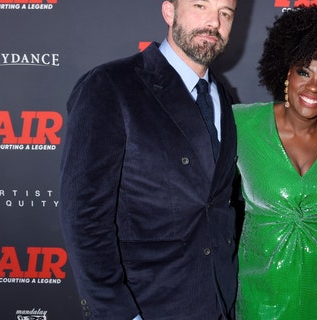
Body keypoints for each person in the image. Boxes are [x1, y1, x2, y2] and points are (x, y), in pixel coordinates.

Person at [59, 0, 239, 319]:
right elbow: (84, 216)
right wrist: (119, 312)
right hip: (145, 305)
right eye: (200, 6)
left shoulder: (223, 97)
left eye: (225, 13)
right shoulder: (111, 86)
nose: (214, 22)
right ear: (169, 12)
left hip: (216, 302)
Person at [232, 6, 317, 319]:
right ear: (286, 70)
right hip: (260, 295)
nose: (312, 88)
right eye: (304, 72)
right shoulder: (242, 123)